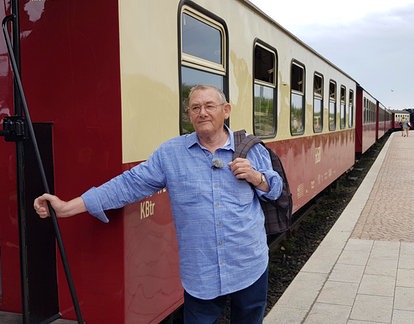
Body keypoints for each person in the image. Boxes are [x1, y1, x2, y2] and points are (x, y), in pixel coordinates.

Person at [33, 84, 282, 324]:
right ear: (189, 115)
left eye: (209, 105)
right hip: (200, 271)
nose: (202, 112)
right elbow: (127, 184)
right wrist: (67, 208)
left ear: (226, 110)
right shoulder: (171, 153)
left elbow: (275, 189)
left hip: (249, 263)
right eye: (195, 108)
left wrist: (257, 178)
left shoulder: (250, 149)